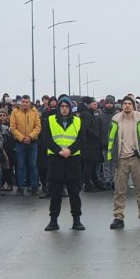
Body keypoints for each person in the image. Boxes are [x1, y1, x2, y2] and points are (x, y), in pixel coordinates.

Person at [107, 97, 140, 229]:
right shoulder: (115, 119)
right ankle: (118, 217)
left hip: (137, 158)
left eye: (129, 104)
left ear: (133, 106)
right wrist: (114, 156)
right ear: (122, 106)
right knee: (119, 190)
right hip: (121, 159)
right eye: (125, 104)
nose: (127, 106)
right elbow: (111, 137)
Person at [42, 96, 85, 231]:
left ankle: (76, 220)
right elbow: (46, 138)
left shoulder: (78, 121)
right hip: (56, 159)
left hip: (72, 160)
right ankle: (53, 220)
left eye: (67, 107)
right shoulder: (50, 120)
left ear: (70, 108)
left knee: (74, 193)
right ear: (59, 108)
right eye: (62, 107)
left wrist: (70, 150)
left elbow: (82, 139)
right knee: (55, 193)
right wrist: (59, 150)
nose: (64, 109)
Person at [10, 95, 41, 196]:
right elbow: (13, 128)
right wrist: (22, 138)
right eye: (23, 101)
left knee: (33, 165)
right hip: (20, 142)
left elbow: (38, 126)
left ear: (30, 102)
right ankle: (20, 187)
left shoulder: (34, 111)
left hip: (32, 142)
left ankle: (34, 186)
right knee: (20, 165)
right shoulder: (15, 112)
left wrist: (30, 137)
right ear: (20, 102)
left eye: (27, 102)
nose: (25, 104)